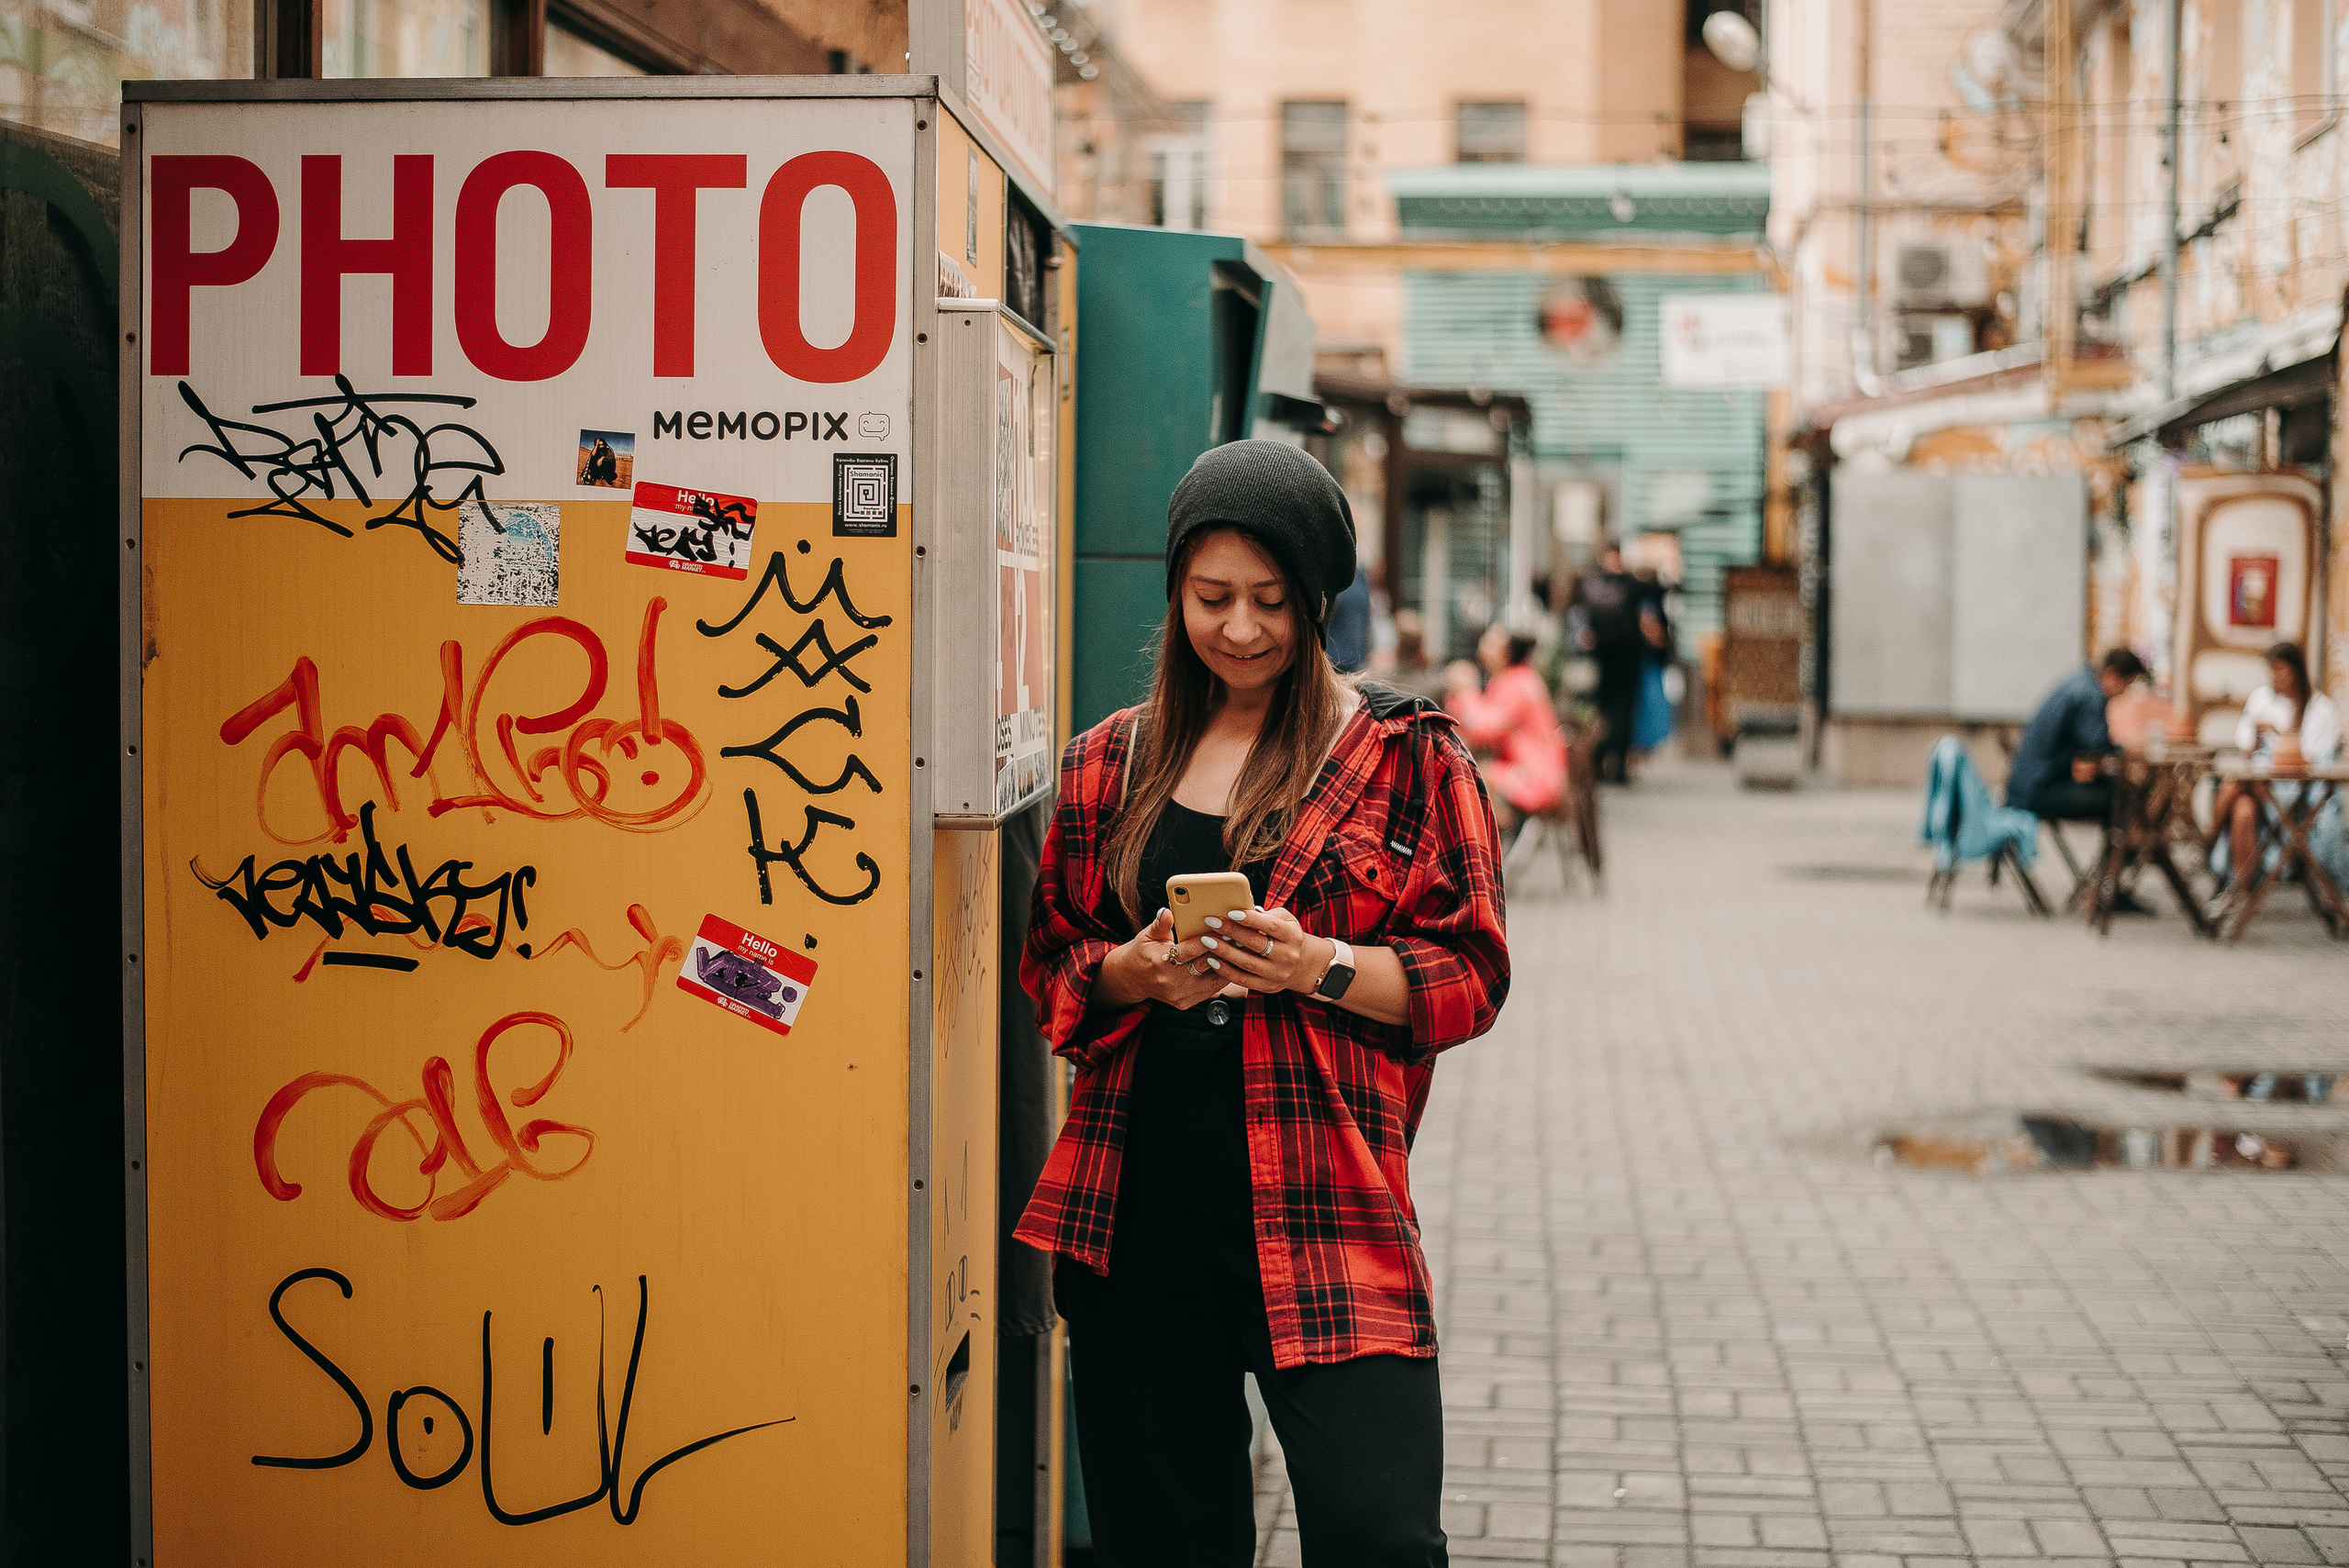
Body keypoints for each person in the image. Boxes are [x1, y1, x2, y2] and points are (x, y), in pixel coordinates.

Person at [1014, 439, 1509, 1568]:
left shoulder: (1407, 757)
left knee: (1380, 1537)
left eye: (1270, 600)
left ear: (1318, 599)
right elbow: (1052, 965)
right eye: (1211, 597)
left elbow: (1471, 974)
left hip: (1327, 1201)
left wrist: (1316, 963)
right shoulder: (1110, 762)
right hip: (1130, 1215)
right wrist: (1134, 972)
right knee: (1165, 1544)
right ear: (1176, 590)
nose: (1238, 628)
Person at [2207, 641, 2341, 893]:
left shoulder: (2319, 708)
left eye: (2281, 669)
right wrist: (2258, 738)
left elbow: (2314, 760)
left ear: (2296, 670)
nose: (2276, 677)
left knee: (2234, 783)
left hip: (2295, 790)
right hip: (2260, 784)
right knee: (2242, 809)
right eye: (2272, 670)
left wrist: (2279, 735)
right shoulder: (2262, 698)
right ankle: (2243, 890)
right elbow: (2247, 750)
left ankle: (2206, 842)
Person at [1445, 624, 1567, 845]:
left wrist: (1465, 690)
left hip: (1534, 775)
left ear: (1506, 652)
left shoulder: (1519, 684)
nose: (1484, 641)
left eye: (1492, 639)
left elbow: (1482, 727)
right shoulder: (1512, 679)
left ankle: (1492, 850)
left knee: (1467, 778)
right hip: (1526, 769)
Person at [2005, 648, 2147, 821]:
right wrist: (2127, 748)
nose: (2124, 692)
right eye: (2126, 685)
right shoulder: (2090, 695)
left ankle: (2115, 848)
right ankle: (2118, 848)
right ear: (2112, 675)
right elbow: (2096, 744)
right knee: (2121, 798)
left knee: (2109, 787)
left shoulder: (2081, 680)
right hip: (2038, 792)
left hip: (2026, 785)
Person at [1571, 544, 1643, 783]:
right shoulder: (1630, 585)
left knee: (1603, 712)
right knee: (1621, 712)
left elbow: (1584, 623)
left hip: (1603, 659)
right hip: (1626, 659)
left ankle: (1601, 760)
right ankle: (1616, 763)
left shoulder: (1592, 586)